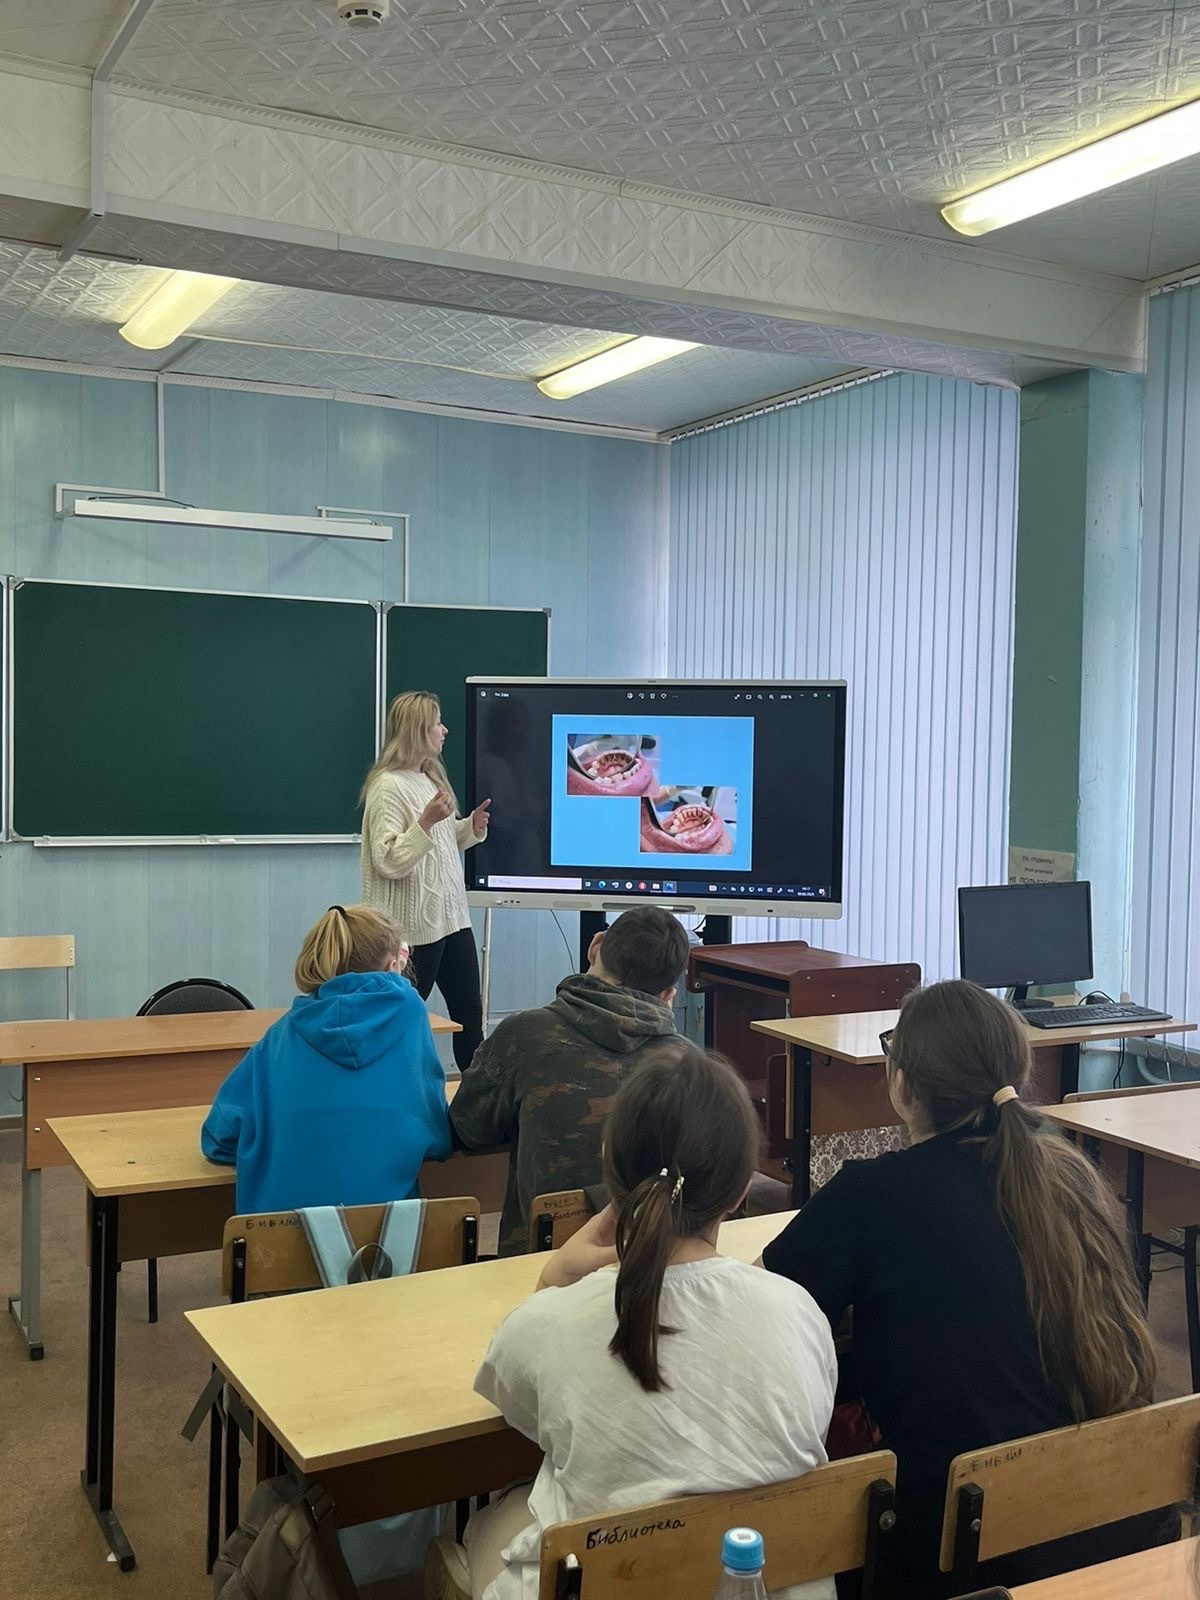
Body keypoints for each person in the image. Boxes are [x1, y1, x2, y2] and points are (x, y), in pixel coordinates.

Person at [760, 979, 1158, 1596]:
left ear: (902, 1086)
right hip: (1106, 1529)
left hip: (950, 1553)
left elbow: (759, 1315)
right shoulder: (1074, 1180)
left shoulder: (869, 1193)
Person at [426, 1043, 838, 1600]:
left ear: (608, 1166)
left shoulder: (554, 1321)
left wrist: (551, 1281)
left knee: (490, 1525)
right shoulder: (799, 1311)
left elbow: (515, 1403)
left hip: (608, 1580)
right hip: (764, 1582)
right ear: (742, 1188)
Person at [449, 906, 689, 1255]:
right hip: (652, 1262)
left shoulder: (523, 1035)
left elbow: (469, 1130)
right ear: (668, 994)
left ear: (595, 946)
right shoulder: (691, 1065)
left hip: (538, 1265)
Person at [200, 904, 451, 1213]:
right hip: (387, 1238)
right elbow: (437, 1138)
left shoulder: (280, 1037)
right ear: (392, 966)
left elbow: (218, 1138)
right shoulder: (410, 1016)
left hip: (279, 1237)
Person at [360, 690, 490, 1071]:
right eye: (437, 724)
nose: (444, 730)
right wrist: (427, 821)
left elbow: (438, 846)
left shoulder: (430, 778)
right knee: (399, 1023)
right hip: (412, 930)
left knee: (470, 1016)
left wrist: (469, 828)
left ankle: (478, 1096)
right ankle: (390, 1090)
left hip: (452, 920)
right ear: (418, 730)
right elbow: (388, 859)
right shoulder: (387, 787)